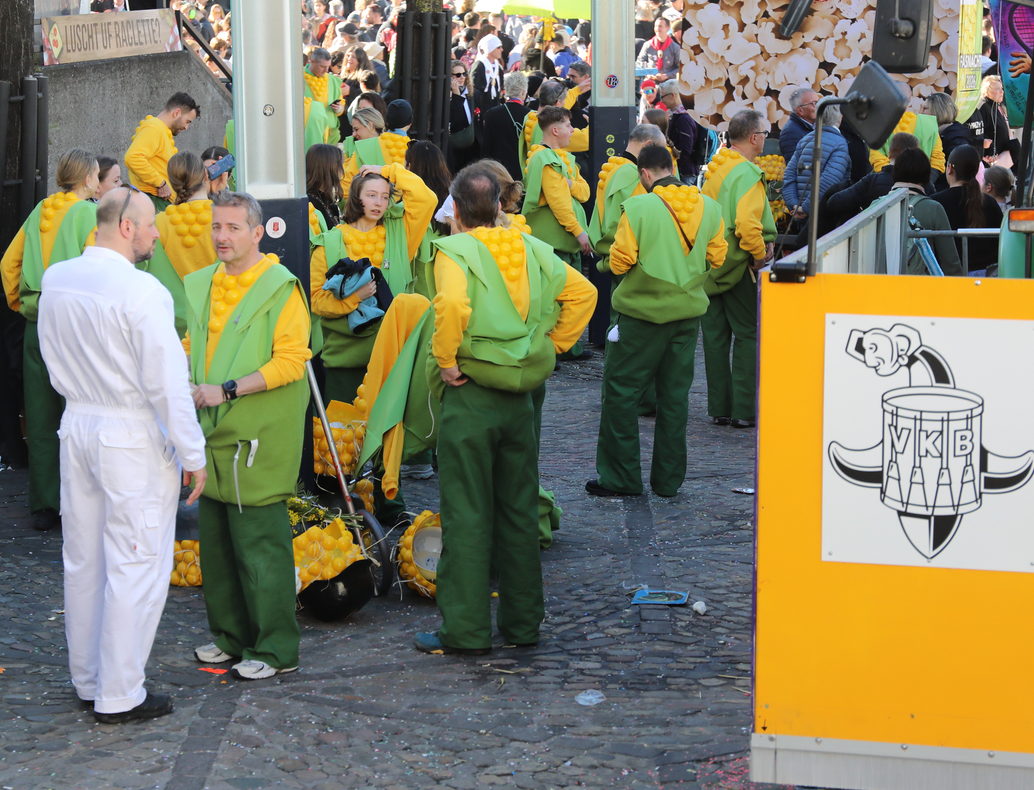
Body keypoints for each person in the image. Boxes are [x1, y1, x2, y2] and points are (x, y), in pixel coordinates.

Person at [37, 186, 206, 724]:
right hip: (129, 432)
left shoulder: (57, 278)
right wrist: (193, 451)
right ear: (127, 227)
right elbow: (167, 383)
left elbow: (49, 353)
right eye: (151, 224)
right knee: (136, 561)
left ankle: (89, 679)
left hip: (78, 423)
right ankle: (119, 692)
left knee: (84, 559)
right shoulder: (142, 290)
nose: (157, 233)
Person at [415, 166, 595, 656]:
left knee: (466, 512)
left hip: (472, 395)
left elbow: (452, 305)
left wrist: (446, 361)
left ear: (454, 208)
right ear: (499, 206)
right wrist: (552, 346)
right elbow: (584, 293)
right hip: (520, 399)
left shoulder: (453, 251)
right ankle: (522, 623)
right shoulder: (532, 247)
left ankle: (466, 630)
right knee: (519, 511)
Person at [183, 193, 312, 680]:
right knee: (217, 547)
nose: (222, 236)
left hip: (257, 435)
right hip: (211, 432)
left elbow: (292, 361)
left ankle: (276, 650)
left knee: (261, 546)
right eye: (217, 226)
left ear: (257, 233)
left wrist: (228, 389)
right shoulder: (202, 283)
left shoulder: (280, 287)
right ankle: (230, 637)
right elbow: (194, 342)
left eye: (233, 228)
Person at [588, 144, 729, 498]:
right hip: (687, 316)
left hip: (640, 317)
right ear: (673, 168)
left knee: (621, 394)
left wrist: (607, 264)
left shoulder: (637, 206)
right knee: (674, 398)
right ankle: (668, 481)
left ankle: (620, 478)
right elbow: (718, 257)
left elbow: (619, 262)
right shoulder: (709, 207)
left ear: (644, 173)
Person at [1, 150, 103, 530]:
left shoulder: (39, 212)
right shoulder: (88, 214)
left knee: (40, 416)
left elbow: (8, 265)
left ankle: (45, 505)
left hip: (38, 323)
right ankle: (80, 504)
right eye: (97, 175)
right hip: (77, 328)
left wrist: (24, 305)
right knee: (80, 415)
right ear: (88, 178)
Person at [310, 162, 438, 404]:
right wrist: (354, 298)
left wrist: (387, 170)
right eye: (371, 195)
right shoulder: (328, 243)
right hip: (346, 360)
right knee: (344, 424)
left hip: (395, 356)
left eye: (385, 196)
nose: (379, 202)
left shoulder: (400, 233)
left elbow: (427, 199)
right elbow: (315, 300)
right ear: (355, 197)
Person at [698, 111, 775, 429]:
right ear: (755, 137)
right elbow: (746, 224)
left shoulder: (718, 167)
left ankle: (720, 408)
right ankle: (744, 409)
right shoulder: (747, 172)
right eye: (765, 133)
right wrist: (758, 256)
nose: (765, 138)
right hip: (739, 265)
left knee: (715, 338)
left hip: (710, 263)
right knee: (748, 334)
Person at [138, 151, 220, 341]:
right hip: (218, 322)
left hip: (172, 328)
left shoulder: (158, 223)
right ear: (206, 175)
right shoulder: (226, 220)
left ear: (171, 182)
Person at [522, 107, 593, 261]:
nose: (573, 130)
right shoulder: (546, 159)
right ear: (555, 130)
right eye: (568, 125)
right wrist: (579, 232)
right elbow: (559, 202)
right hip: (554, 246)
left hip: (565, 243)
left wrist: (569, 183)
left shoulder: (560, 157)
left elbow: (585, 193)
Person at [588, 123, 666, 261]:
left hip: (610, 252)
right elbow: (643, 224)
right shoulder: (634, 175)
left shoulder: (614, 167)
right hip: (628, 256)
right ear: (647, 145)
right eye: (660, 151)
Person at [929, 144, 1002, 273]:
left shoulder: (935, 203)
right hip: (988, 275)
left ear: (950, 169)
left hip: (949, 275)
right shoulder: (990, 202)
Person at [823, 132, 917, 231]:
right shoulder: (921, 183)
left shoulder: (872, 181)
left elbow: (834, 203)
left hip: (873, 235)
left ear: (890, 153)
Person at [893, 149, 964, 276]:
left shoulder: (875, 207)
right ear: (926, 174)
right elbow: (950, 262)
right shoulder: (933, 208)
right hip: (918, 285)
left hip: (879, 285)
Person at [125, 93, 199, 210]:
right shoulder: (154, 127)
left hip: (157, 200)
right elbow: (132, 157)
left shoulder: (160, 129)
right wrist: (160, 183)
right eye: (187, 121)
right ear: (176, 113)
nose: (186, 127)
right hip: (154, 200)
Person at [782, 107, 850, 221]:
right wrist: (806, 208)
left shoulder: (805, 140)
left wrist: (794, 205)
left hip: (801, 213)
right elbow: (829, 180)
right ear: (839, 118)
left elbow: (789, 175)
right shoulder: (840, 144)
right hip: (826, 216)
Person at [478, 70, 530, 181]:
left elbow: (486, 146)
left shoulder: (492, 113)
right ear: (523, 92)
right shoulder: (530, 115)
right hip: (521, 170)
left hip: (496, 170)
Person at [656, 81, 706, 182]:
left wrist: (674, 166)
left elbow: (685, 149)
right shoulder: (685, 114)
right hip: (685, 170)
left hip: (684, 172)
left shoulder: (683, 118)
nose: (661, 101)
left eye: (663, 97)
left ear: (673, 95)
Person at [965, 74, 1014, 166]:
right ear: (987, 91)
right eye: (997, 89)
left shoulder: (995, 106)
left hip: (999, 157)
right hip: (989, 160)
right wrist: (989, 152)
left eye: (1002, 88)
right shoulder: (983, 107)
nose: (1002, 92)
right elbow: (981, 133)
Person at [926, 92, 974, 172]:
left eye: (925, 108)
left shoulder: (957, 140)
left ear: (937, 111)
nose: (921, 112)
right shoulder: (942, 133)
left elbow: (958, 172)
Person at [307, 143, 345, 234]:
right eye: (340, 165)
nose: (342, 171)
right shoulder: (310, 204)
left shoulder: (327, 202)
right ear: (328, 168)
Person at [470, 34, 506, 113]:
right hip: (482, 108)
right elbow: (474, 89)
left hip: (494, 107)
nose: (502, 50)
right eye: (498, 47)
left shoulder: (498, 67)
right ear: (490, 48)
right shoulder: (479, 65)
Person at [779, 89, 817, 162]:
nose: (818, 107)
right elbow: (796, 164)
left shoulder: (814, 126)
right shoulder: (790, 132)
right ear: (800, 110)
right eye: (814, 104)